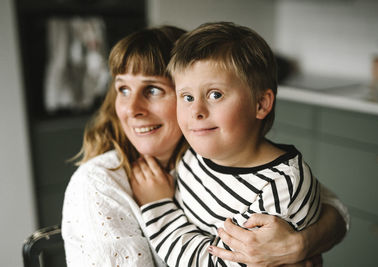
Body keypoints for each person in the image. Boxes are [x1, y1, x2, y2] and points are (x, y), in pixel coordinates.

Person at [62, 25, 348, 267]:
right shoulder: (99, 184)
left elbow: (329, 206)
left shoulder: (210, 151)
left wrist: (301, 245)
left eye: (153, 90)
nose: (132, 108)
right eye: (122, 89)